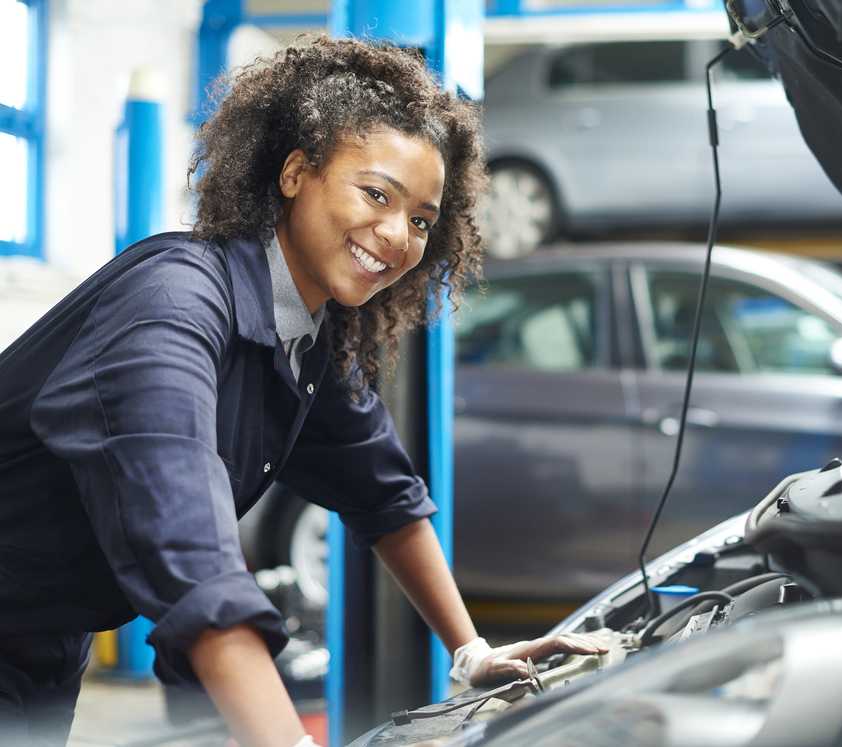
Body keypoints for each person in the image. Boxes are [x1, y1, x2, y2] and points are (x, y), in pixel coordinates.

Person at [0, 37, 603, 747]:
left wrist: (471, 650)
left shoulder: (304, 337)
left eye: (420, 219)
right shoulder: (172, 305)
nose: (397, 236)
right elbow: (190, 549)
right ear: (294, 172)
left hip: (40, 638)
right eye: (375, 193)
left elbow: (385, 494)